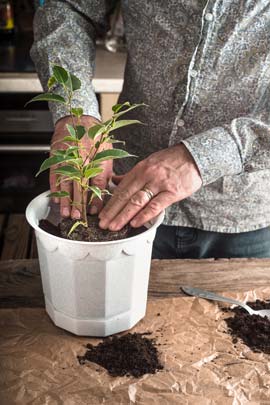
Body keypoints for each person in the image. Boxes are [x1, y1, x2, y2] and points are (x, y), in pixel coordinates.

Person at [31, 1, 270, 259]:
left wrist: (204, 156)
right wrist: (75, 107)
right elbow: (68, 7)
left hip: (246, 215)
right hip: (122, 196)